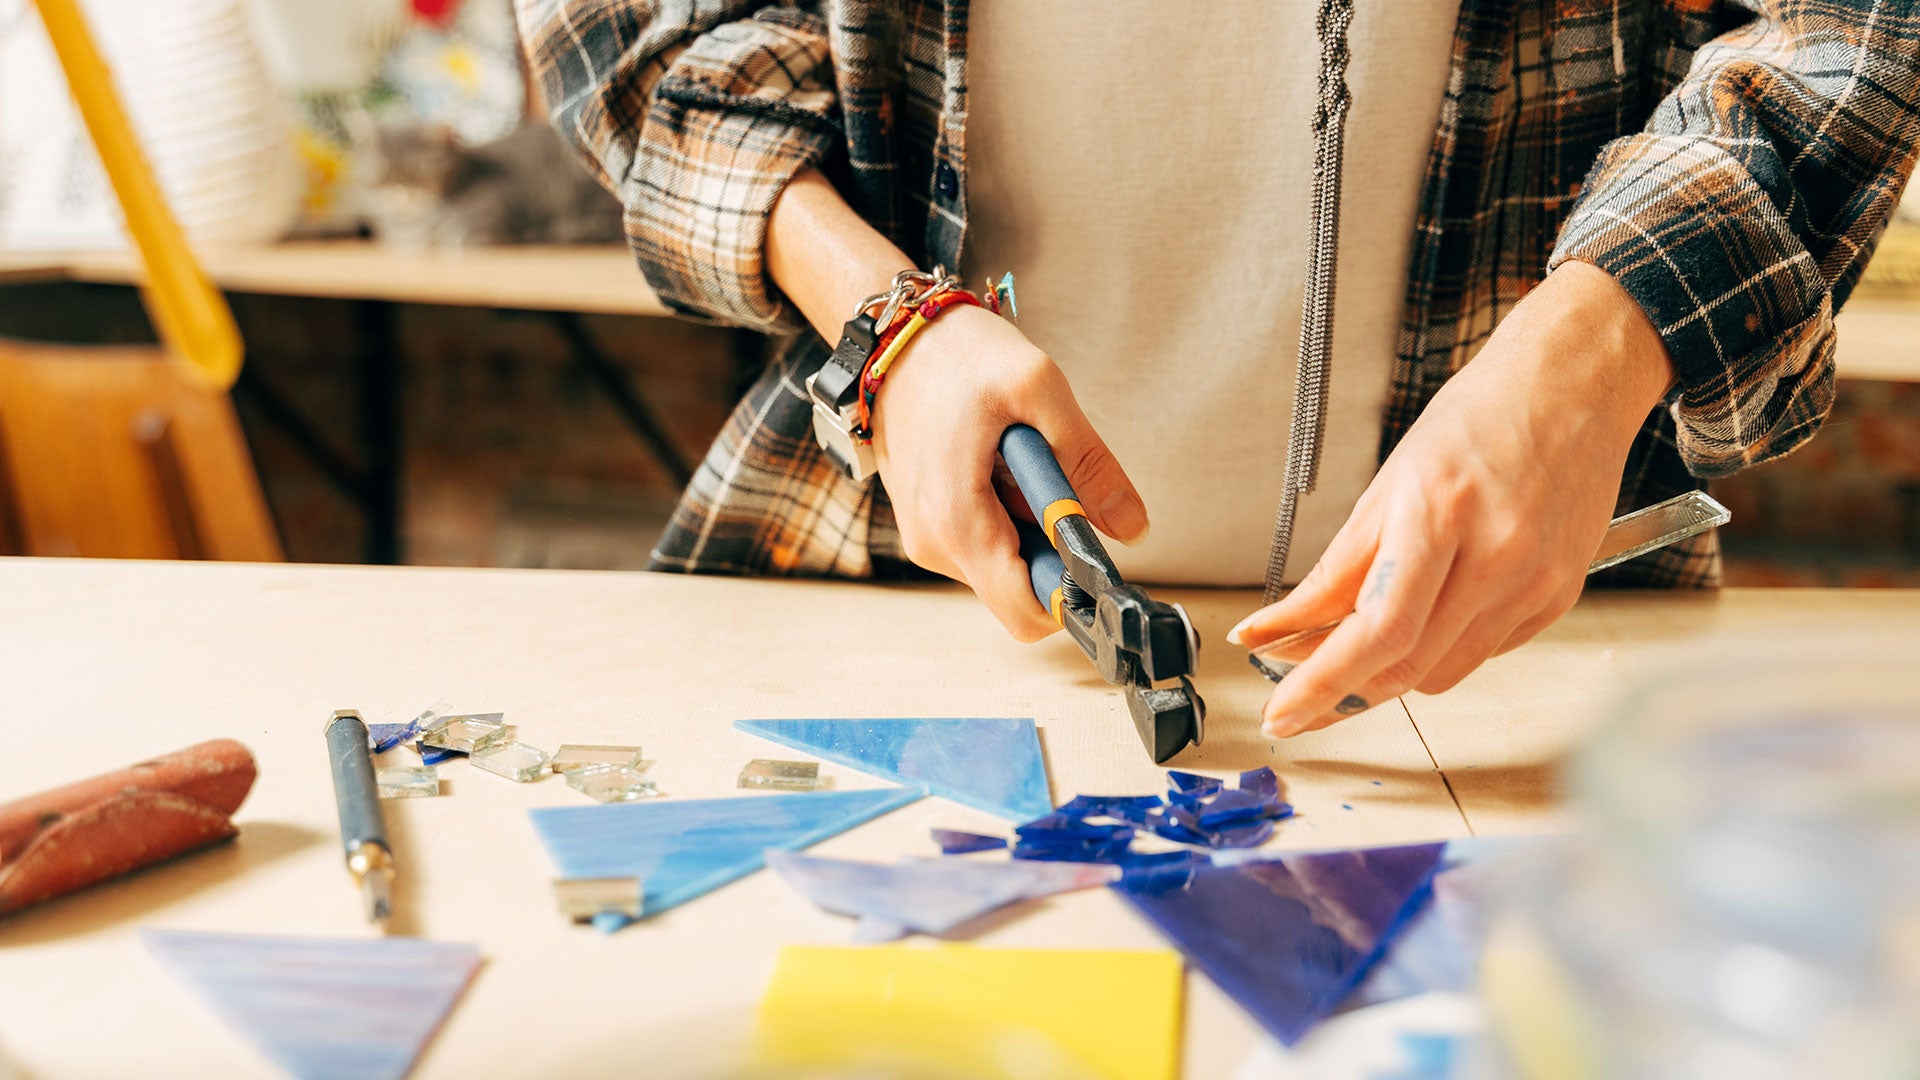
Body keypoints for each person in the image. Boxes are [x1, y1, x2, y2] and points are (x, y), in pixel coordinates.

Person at [514, 1, 1919, 737]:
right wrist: (881, 314)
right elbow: (630, 24)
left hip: (1529, 651)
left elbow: (1850, 30)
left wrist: (1592, 355)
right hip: (891, 598)